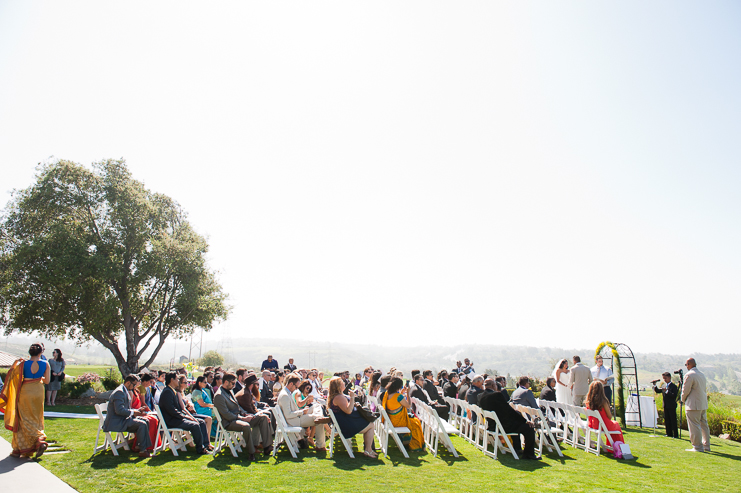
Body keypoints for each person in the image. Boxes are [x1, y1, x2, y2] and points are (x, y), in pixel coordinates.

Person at [0, 343, 51, 458]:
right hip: (38, 391)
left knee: (23, 418)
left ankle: (37, 441)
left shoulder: (23, 364)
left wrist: (15, 362)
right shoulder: (45, 364)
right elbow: (47, 381)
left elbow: (12, 375)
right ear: (41, 352)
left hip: (25, 391)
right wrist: (39, 378)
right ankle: (33, 443)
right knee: (36, 417)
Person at [478, 378, 539, 460]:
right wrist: (525, 420)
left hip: (493, 425)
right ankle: (529, 454)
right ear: (493, 385)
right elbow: (508, 411)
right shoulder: (496, 395)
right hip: (501, 426)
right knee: (529, 429)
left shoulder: (481, 396)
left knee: (516, 424)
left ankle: (517, 449)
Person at [158, 372, 210, 454]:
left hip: (176, 418)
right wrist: (185, 417)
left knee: (201, 422)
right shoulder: (167, 392)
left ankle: (205, 445)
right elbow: (172, 410)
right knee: (195, 425)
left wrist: (187, 416)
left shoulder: (172, 391)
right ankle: (200, 449)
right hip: (172, 420)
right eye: (177, 379)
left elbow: (178, 409)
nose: (178, 381)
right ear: (172, 380)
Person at [103, 374, 153, 457]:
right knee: (142, 424)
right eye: (134, 385)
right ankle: (143, 451)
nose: (134, 387)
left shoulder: (124, 390)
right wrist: (134, 413)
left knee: (146, 420)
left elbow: (126, 409)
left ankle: (139, 446)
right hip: (117, 422)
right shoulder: (119, 392)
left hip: (123, 419)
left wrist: (138, 411)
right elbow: (119, 411)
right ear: (128, 383)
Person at [278, 374, 330, 451]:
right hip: (294, 421)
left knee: (316, 406)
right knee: (319, 421)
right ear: (291, 384)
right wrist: (301, 412)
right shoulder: (285, 395)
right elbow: (288, 415)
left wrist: (302, 411)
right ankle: (320, 446)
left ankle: (318, 416)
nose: (296, 389)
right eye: (296, 387)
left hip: (296, 417)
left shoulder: (286, 392)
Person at [328, 376, 377, 458]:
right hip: (347, 425)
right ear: (338, 386)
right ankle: (368, 450)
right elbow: (348, 410)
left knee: (369, 423)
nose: (344, 383)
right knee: (371, 425)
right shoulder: (339, 397)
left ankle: (368, 449)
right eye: (342, 382)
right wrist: (352, 397)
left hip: (347, 421)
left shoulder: (339, 395)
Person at [381, 377, 424, 452]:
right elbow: (408, 406)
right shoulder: (398, 396)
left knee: (414, 421)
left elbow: (395, 402)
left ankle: (408, 444)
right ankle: (415, 446)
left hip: (391, 420)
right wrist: (407, 393)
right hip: (398, 422)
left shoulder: (387, 394)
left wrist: (401, 392)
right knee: (416, 422)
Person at [585, 381, 625, 454]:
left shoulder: (588, 402)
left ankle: (613, 447)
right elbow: (609, 417)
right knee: (616, 424)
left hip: (594, 425)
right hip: (604, 425)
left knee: (614, 425)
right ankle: (620, 448)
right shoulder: (603, 401)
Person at [682, 358, 711, 452]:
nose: (686, 367)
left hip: (693, 405)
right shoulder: (702, 374)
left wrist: (682, 399)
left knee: (694, 426)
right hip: (702, 403)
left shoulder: (689, 375)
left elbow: (685, 390)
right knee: (704, 425)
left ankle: (697, 447)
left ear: (689, 364)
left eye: (686, 365)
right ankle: (706, 445)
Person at [653, 372, 678, 438]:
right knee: (667, 420)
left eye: (666, 378)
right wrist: (655, 385)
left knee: (673, 420)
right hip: (666, 405)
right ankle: (668, 433)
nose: (664, 380)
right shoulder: (664, 386)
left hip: (671, 406)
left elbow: (674, 395)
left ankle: (675, 434)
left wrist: (667, 391)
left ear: (669, 378)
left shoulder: (673, 386)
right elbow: (658, 391)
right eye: (664, 378)